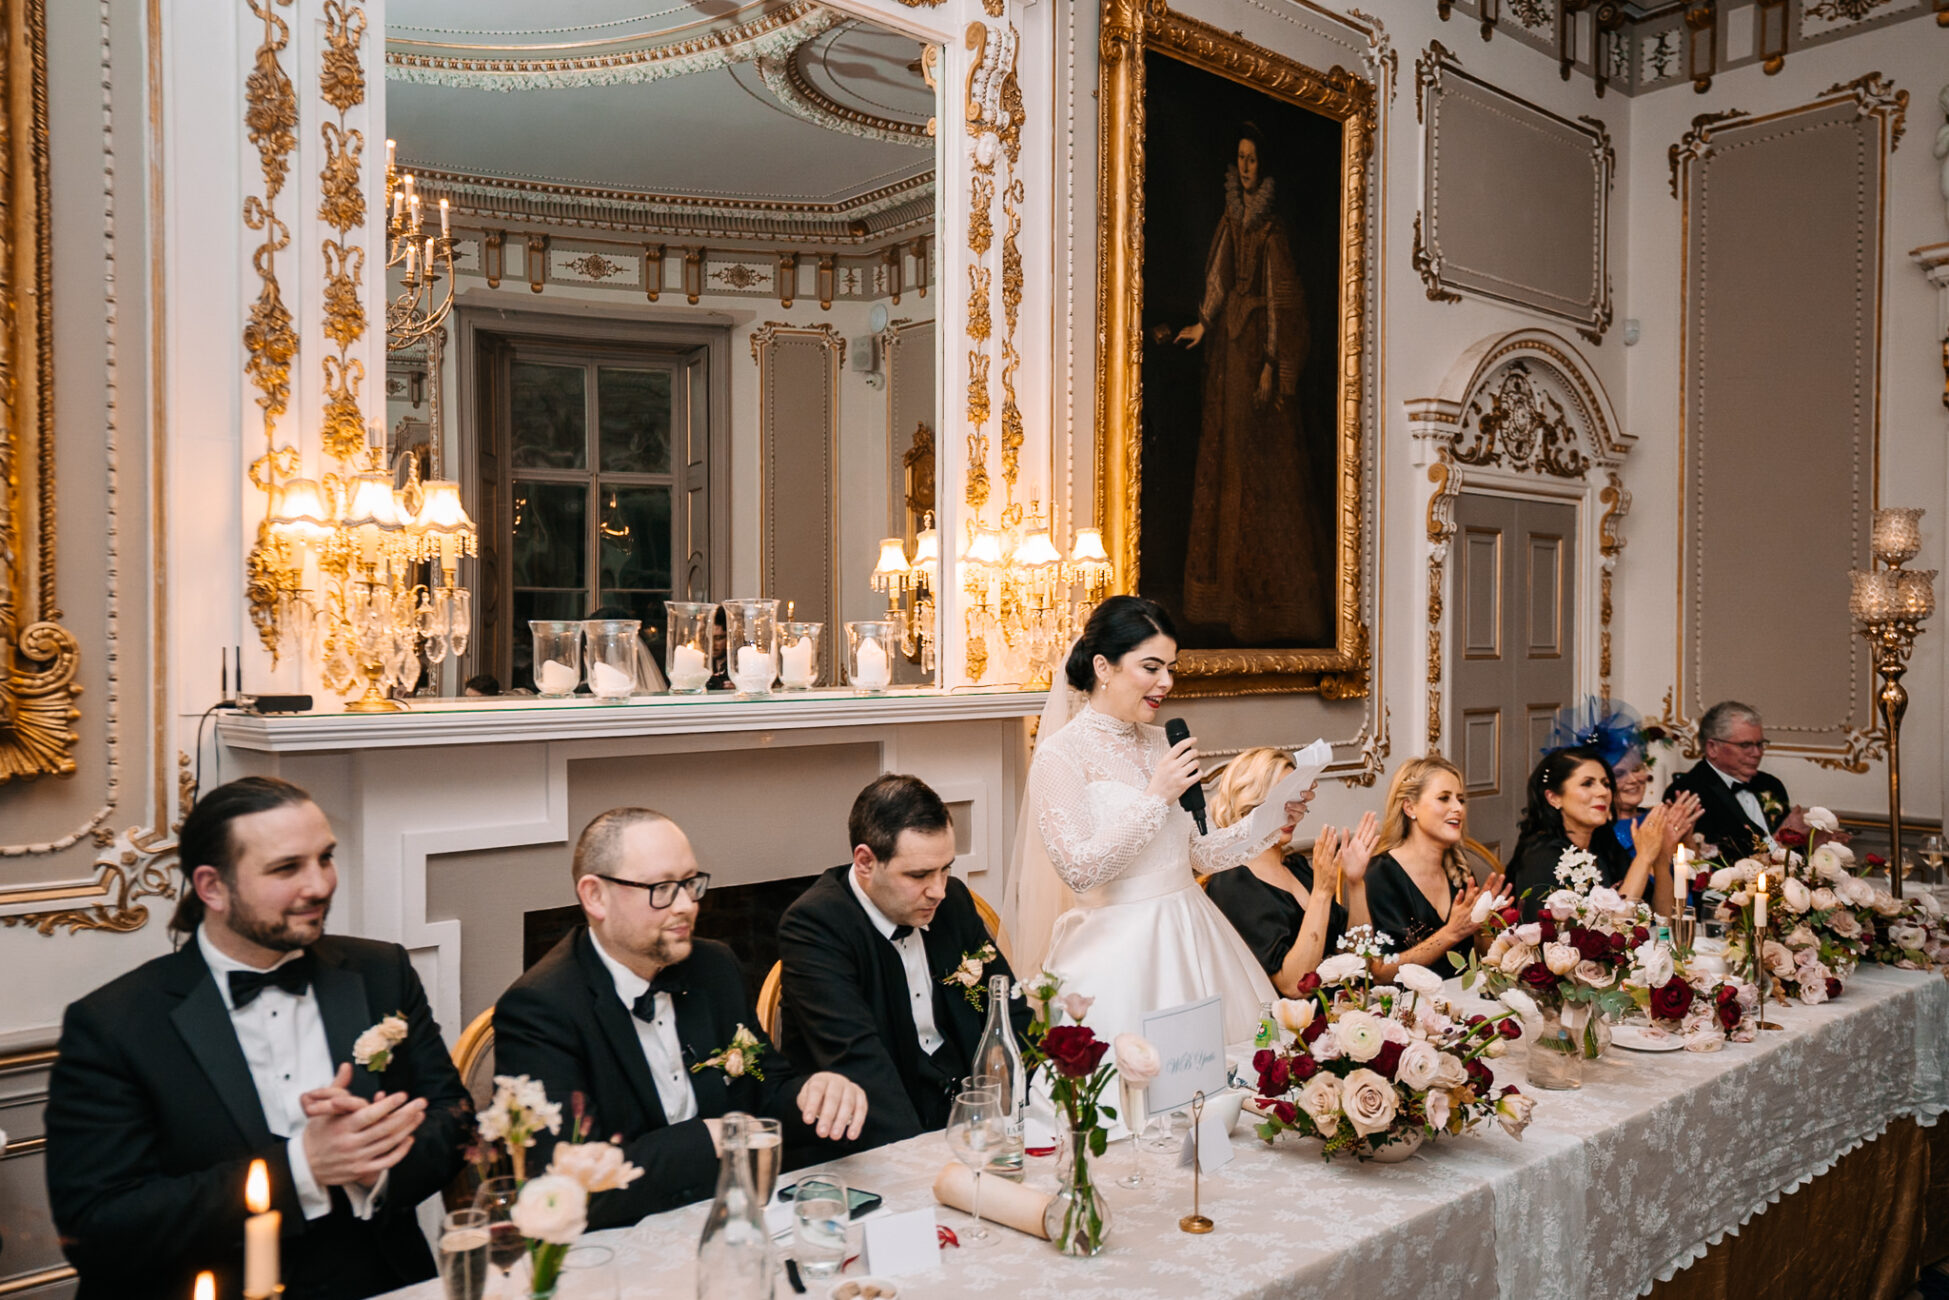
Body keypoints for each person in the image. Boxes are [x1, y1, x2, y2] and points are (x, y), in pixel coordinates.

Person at [45, 777, 474, 1300]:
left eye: (325, 858)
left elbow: (452, 1118)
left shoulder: (381, 971)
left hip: (377, 1275)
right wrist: (302, 1167)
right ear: (212, 888)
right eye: (286, 868)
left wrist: (371, 1162)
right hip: (208, 1284)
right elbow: (100, 1228)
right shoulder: (113, 1025)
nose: (319, 885)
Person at [494, 809, 866, 1227]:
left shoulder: (713, 966)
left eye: (690, 883)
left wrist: (815, 1093)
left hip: (734, 1216)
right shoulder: (540, 1009)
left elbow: (766, 1093)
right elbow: (561, 1185)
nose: (687, 905)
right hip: (620, 1243)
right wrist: (705, 1140)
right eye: (662, 888)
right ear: (595, 895)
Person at [1003, 595, 1312, 1045]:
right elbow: (1078, 870)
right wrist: (1156, 797)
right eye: (1151, 667)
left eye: (1171, 667)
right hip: (1118, 956)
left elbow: (1198, 853)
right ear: (1103, 667)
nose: (1166, 682)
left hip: (1193, 936)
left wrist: (1270, 816)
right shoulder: (1059, 755)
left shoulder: (1162, 742)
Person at [777, 775, 1031, 1150]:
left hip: (973, 1122)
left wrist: (1024, 1117)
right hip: (878, 1137)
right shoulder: (815, 926)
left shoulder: (953, 901)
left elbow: (1010, 1010)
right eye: (919, 875)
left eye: (946, 868)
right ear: (865, 861)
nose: (939, 890)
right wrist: (922, 1163)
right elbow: (858, 1064)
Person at [1172, 122, 1331, 646]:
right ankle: (1218, 601)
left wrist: (1270, 363)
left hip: (1258, 349)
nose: (1245, 166)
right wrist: (1203, 321)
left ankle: (1262, 609)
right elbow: (1217, 278)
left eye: (1253, 159)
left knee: (1262, 478)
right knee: (1226, 464)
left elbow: (1284, 302)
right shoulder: (1231, 218)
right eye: (1240, 157)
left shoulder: (1271, 230)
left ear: (1264, 167)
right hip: (1228, 355)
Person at [1204, 747, 1377, 996]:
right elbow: (1294, 985)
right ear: (1249, 801)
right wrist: (1321, 892)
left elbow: (1360, 954)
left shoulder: (1296, 867)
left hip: (1342, 1012)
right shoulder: (1232, 882)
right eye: (1279, 798)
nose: (1291, 810)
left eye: (1295, 798)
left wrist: (1355, 882)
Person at [1507, 747, 1702, 922]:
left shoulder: (1603, 843)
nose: (1602, 792)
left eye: (1606, 783)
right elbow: (1609, 930)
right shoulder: (1540, 856)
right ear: (1554, 798)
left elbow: (1663, 919)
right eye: (1587, 784)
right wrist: (1643, 857)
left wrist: (1660, 856)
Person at [1362, 757, 1506, 980]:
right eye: (1444, 798)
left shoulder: (1460, 869)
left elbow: (1481, 958)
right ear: (1410, 807)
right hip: (1406, 1007)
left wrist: (1486, 924)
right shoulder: (1380, 874)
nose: (1458, 808)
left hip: (1461, 1000)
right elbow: (1381, 974)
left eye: (1460, 800)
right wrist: (1450, 933)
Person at [1663, 700, 1794, 858]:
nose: (1757, 753)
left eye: (1760, 744)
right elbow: (1710, 862)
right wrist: (1778, 843)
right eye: (1746, 745)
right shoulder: (1688, 792)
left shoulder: (1772, 785)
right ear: (1712, 748)